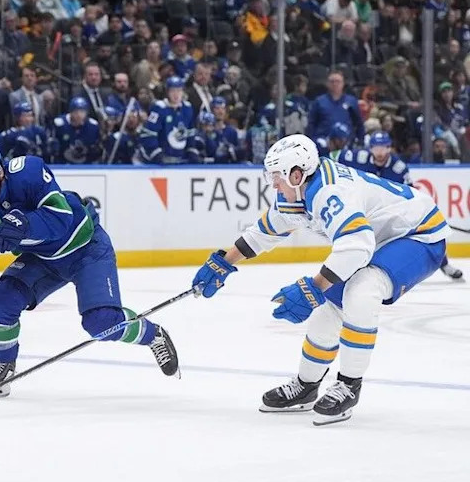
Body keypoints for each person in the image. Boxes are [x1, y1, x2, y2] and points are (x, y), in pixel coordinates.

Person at [191, 135, 450, 426]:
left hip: (419, 235)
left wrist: (313, 287)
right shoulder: (298, 191)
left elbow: (356, 246)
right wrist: (224, 262)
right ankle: (307, 385)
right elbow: (263, 233)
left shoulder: (328, 192)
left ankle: (349, 385)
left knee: (362, 290)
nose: (273, 184)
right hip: (380, 238)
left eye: (276, 177)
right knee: (328, 310)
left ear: (296, 173)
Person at [0, 141, 178, 398]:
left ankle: (154, 335)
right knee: (1, 300)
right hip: (43, 259)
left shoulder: (28, 171)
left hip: (86, 249)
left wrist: (24, 224)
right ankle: (2, 366)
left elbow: (61, 217)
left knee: (101, 322)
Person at [340, 132, 462, 281]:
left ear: (389, 148)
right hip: (365, 207)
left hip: (390, 210)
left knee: (425, 231)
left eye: (383, 148)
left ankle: (445, 264)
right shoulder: (359, 158)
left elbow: (409, 194)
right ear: (370, 148)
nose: (380, 152)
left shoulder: (399, 168)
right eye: (376, 148)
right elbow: (335, 157)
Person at [143, 77, 196, 164]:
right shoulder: (159, 108)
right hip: (161, 160)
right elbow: (149, 132)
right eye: (173, 91)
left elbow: (190, 131)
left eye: (179, 91)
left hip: (181, 158)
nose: (176, 94)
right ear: (167, 92)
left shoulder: (187, 108)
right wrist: (156, 153)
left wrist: (191, 150)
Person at [49, 96, 101, 164]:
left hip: (86, 165)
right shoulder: (59, 124)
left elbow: (96, 149)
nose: (79, 115)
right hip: (62, 164)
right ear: (70, 111)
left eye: (82, 111)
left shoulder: (93, 126)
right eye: (76, 111)